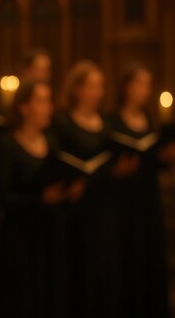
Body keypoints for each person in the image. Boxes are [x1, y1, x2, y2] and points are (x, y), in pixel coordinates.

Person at [52, 60, 137, 318]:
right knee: (81, 266)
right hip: (77, 207)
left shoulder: (109, 122)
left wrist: (119, 169)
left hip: (106, 205)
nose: (98, 92)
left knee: (106, 265)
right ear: (77, 89)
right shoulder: (63, 123)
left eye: (101, 86)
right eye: (92, 86)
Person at [0, 80, 84, 318]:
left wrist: (68, 192)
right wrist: (39, 199)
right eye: (41, 101)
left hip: (50, 233)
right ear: (24, 107)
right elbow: (1, 197)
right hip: (20, 238)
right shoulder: (7, 145)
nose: (48, 108)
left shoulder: (52, 142)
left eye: (49, 101)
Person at [111, 64, 170, 318]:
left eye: (149, 84)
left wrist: (165, 156)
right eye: (141, 84)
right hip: (124, 202)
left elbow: (155, 159)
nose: (146, 90)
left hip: (148, 198)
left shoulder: (151, 119)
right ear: (127, 87)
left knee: (150, 255)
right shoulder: (113, 121)